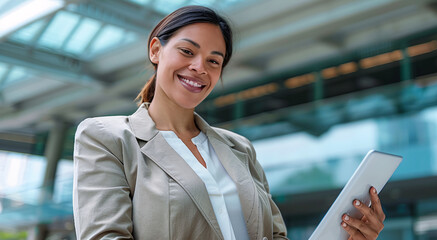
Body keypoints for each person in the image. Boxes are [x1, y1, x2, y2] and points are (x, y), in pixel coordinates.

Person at [72, 5, 385, 240]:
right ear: (156, 50)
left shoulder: (239, 148)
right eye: (187, 51)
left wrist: (348, 235)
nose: (199, 68)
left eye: (213, 61)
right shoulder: (106, 137)